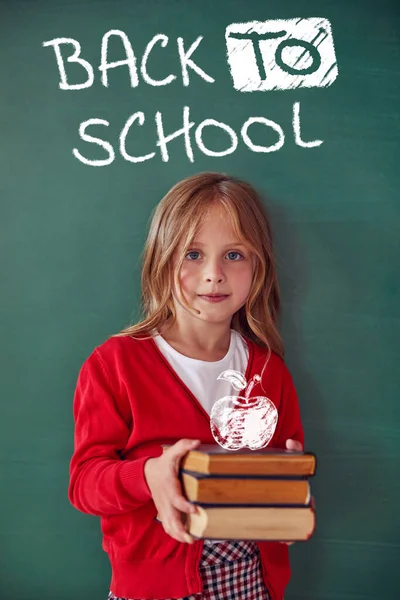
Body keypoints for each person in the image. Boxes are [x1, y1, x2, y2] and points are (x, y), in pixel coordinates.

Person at [68, 172, 305, 600]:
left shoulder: (270, 371)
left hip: (251, 581)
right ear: (162, 259)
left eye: (234, 254)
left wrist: (289, 499)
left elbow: (289, 483)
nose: (213, 275)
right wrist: (147, 475)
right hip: (156, 589)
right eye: (193, 254)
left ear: (259, 267)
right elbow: (85, 483)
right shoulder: (116, 365)